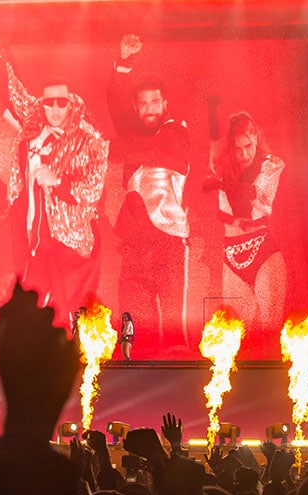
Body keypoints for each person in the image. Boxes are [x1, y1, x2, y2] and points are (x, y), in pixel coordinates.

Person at [0, 39, 109, 322]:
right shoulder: (36, 123)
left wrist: (57, 182)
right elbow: (16, 94)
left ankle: (74, 360)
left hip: (70, 240)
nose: (54, 109)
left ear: (71, 103)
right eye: (48, 102)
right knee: (34, 306)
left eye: (61, 103)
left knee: (68, 312)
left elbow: (93, 189)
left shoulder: (88, 138)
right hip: (33, 236)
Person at [107, 33, 191, 349]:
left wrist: (116, 147)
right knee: (136, 338)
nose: (149, 108)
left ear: (164, 104)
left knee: (174, 340)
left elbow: (155, 152)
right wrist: (124, 63)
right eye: (143, 104)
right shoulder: (132, 134)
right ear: (136, 108)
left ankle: (181, 395)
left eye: (155, 101)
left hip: (169, 246)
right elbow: (114, 101)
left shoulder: (176, 132)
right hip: (135, 250)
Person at [205, 112, 285, 335]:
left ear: (256, 139)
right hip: (230, 254)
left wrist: (222, 179)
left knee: (269, 329)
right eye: (237, 149)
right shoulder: (223, 170)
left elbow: (252, 195)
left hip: (262, 250)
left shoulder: (270, 166)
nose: (244, 154)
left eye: (248, 146)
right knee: (238, 334)